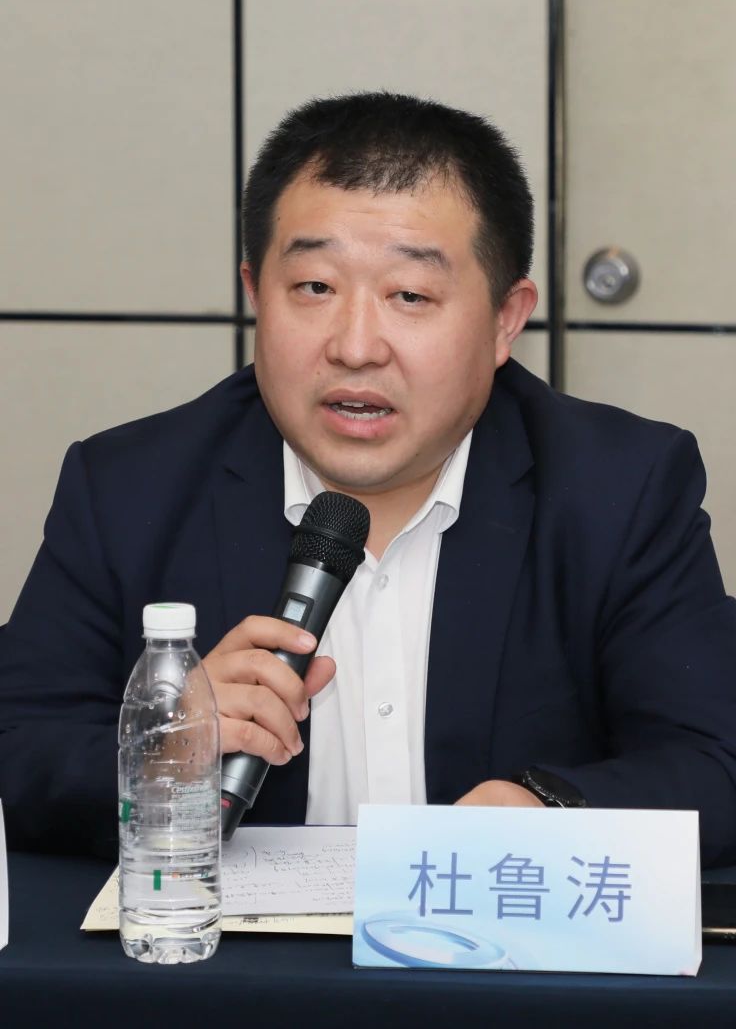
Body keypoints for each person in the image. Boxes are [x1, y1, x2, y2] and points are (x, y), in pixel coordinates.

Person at [1, 92, 735, 866]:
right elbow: (19, 745)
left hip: (498, 939)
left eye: (409, 296)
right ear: (255, 294)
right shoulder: (128, 489)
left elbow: (716, 759)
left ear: (505, 319)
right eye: (314, 288)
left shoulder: (619, 489)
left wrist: (546, 807)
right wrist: (161, 747)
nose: (355, 346)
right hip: (221, 943)